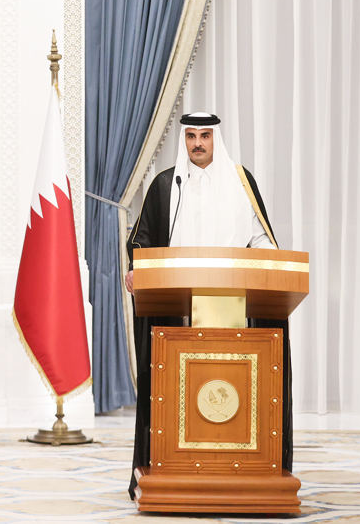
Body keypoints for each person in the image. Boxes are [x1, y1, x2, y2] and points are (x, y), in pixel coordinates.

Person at [124, 112, 290, 499]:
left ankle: (246, 466)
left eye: (205, 136)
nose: (198, 143)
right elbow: (142, 241)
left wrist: (273, 267)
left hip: (237, 308)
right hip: (177, 312)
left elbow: (260, 238)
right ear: (184, 140)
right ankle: (170, 463)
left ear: (216, 139)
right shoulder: (167, 185)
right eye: (191, 136)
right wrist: (136, 268)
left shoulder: (240, 182)